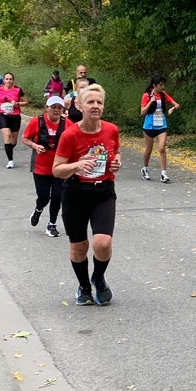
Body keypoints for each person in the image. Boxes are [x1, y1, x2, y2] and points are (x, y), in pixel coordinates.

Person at [53, 84, 121, 306]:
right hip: (75, 193)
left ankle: (98, 278)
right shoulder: (70, 134)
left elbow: (115, 153)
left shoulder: (111, 130)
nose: (95, 106)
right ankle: (83, 286)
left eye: (99, 102)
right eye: (90, 102)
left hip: (103, 191)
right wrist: (77, 165)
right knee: (79, 246)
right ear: (79, 106)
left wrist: (116, 163)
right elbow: (57, 169)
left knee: (102, 243)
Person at [22, 95, 68, 237]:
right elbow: (25, 138)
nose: (56, 110)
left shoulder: (67, 124)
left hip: (59, 167)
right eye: (53, 107)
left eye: (59, 107)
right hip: (40, 166)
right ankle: (38, 209)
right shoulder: (36, 122)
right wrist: (35, 145)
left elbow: (75, 139)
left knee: (57, 195)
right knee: (44, 197)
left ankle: (51, 224)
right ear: (46, 108)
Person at [139, 75, 179, 183]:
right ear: (154, 85)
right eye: (161, 85)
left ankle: (163, 173)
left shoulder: (163, 94)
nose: (163, 86)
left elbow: (176, 104)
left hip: (161, 125)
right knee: (148, 150)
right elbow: (142, 112)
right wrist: (151, 102)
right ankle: (145, 169)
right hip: (149, 125)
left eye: (163, 84)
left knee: (162, 148)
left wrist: (172, 108)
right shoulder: (146, 95)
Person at [0, 72, 27, 168]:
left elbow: (26, 102)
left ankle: (8, 148)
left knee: (13, 141)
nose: (8, 81)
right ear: (3, 80)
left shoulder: (18, 90)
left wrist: (17, 103)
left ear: (13, 80)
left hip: (15, 116)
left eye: (10, 79)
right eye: (7, 79)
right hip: (2, 115)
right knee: (7, 136)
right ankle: (10, 160)